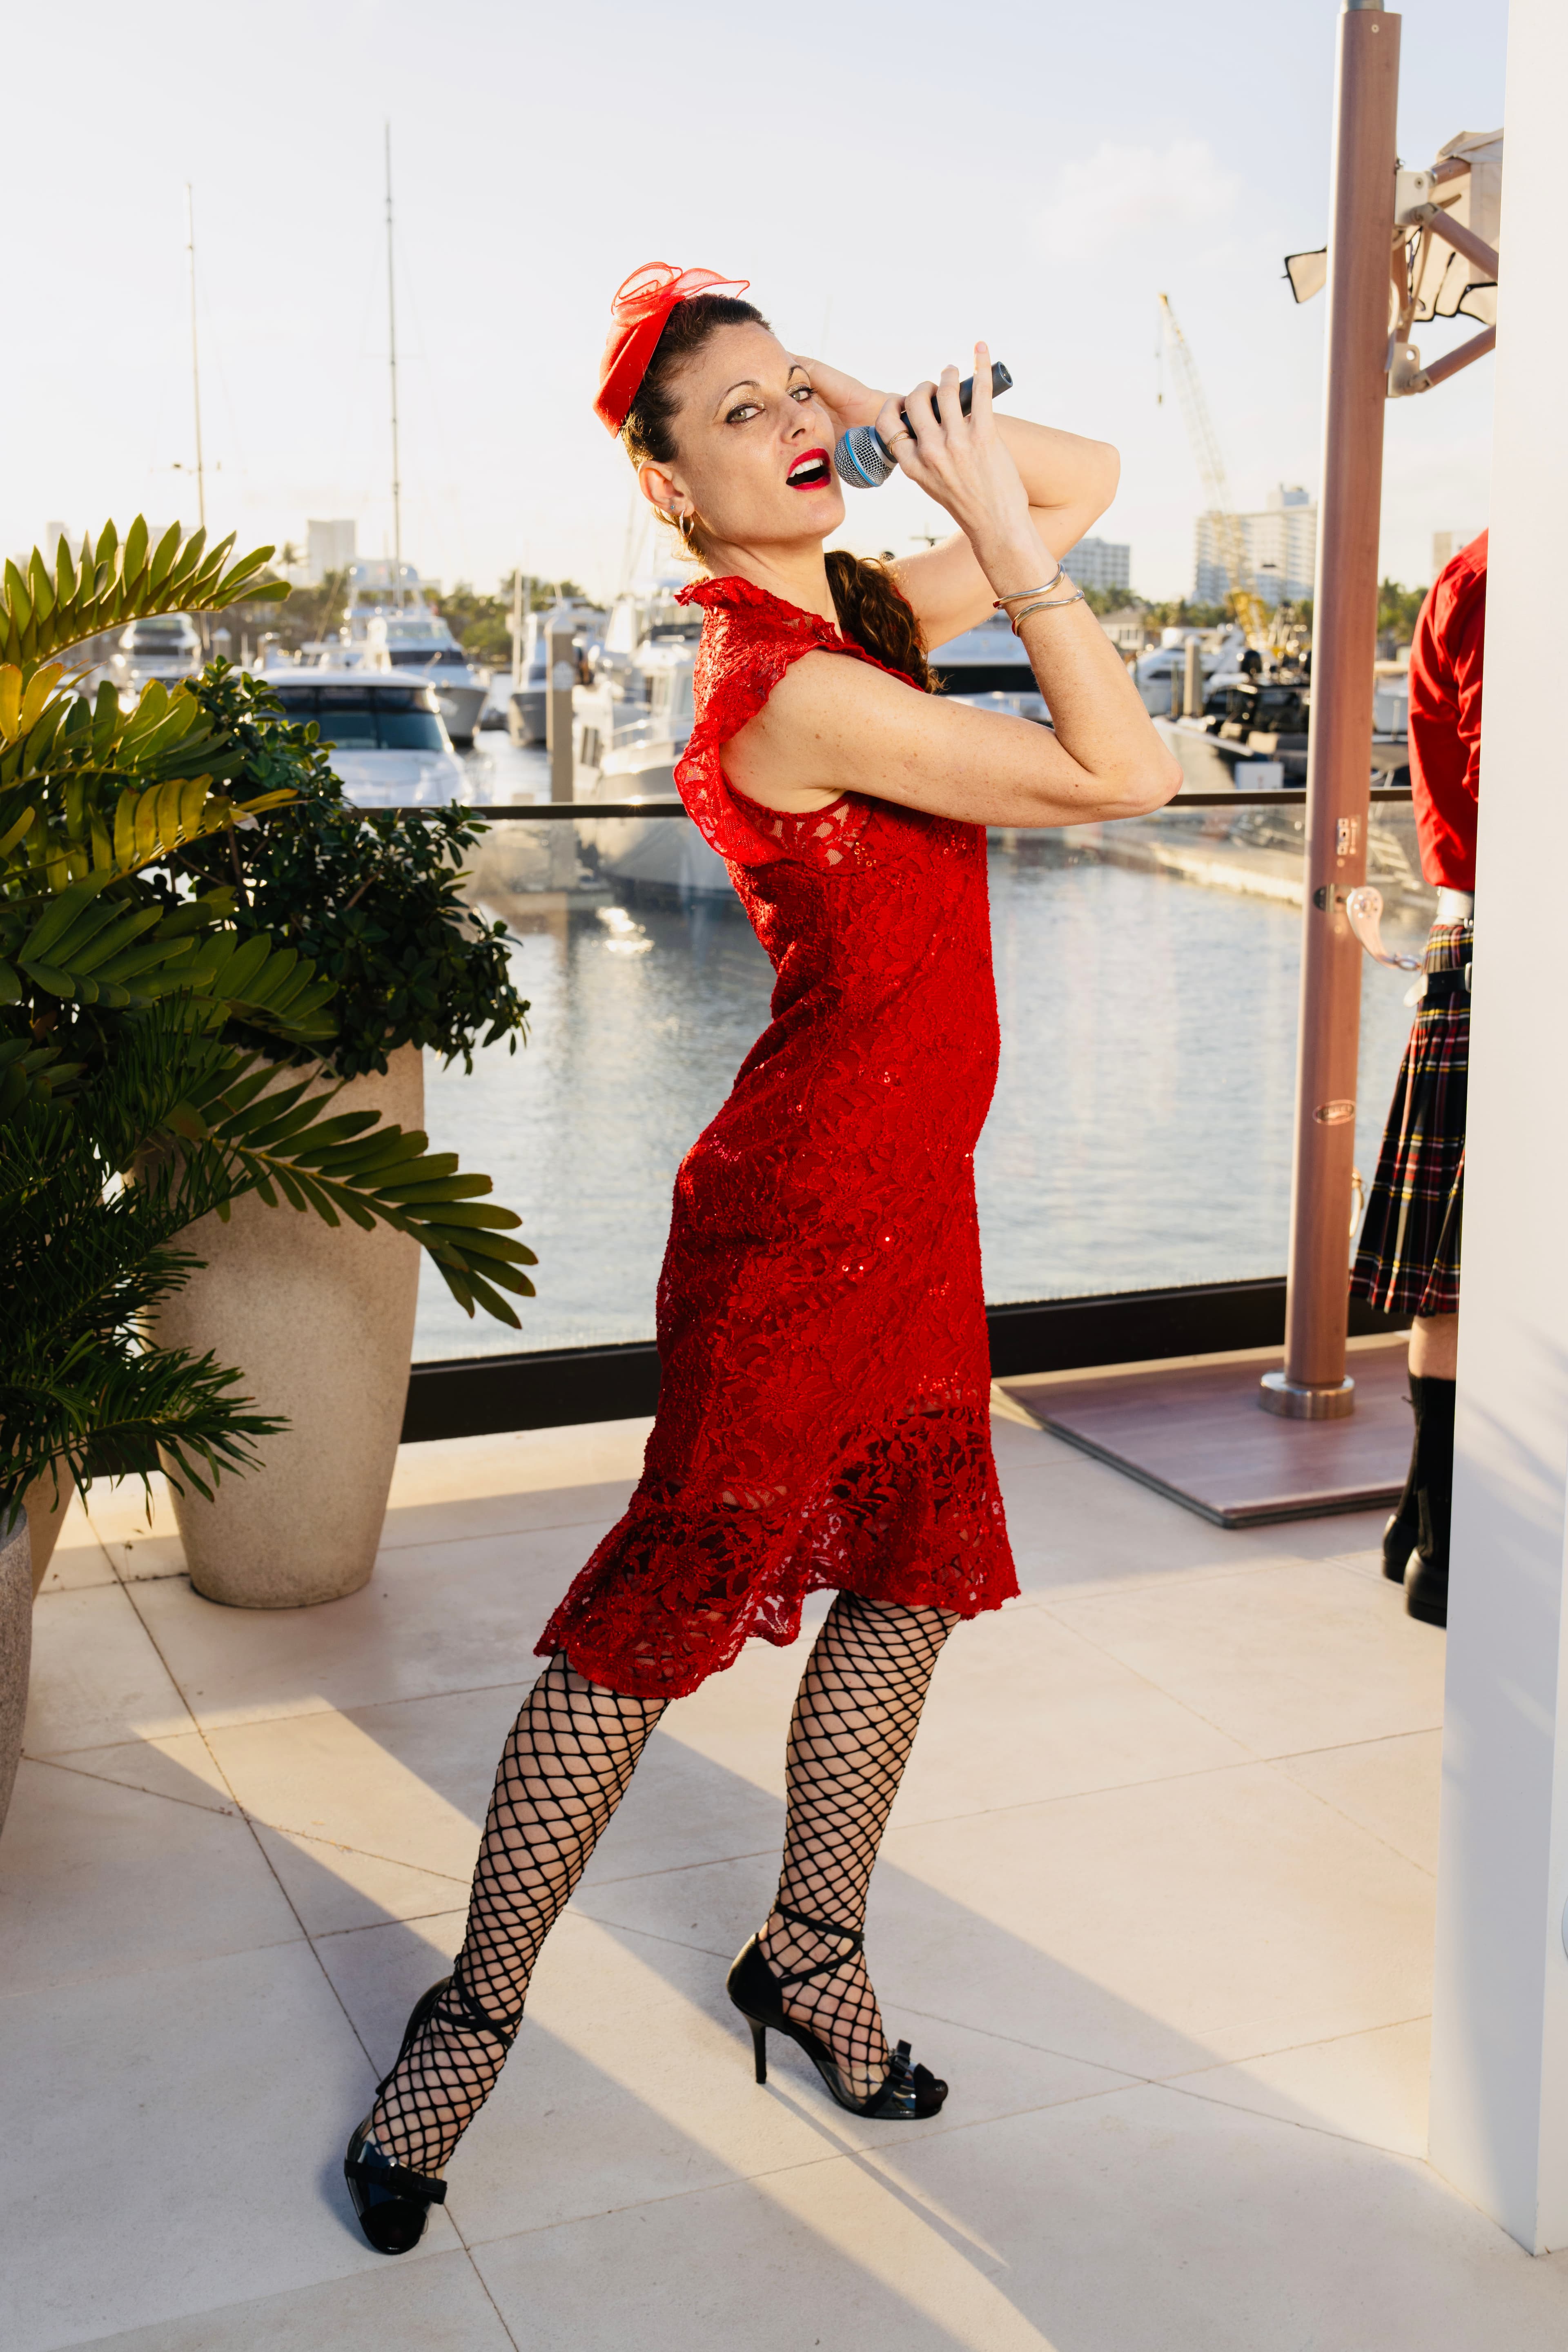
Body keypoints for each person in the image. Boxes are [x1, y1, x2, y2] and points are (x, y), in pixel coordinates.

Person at [343, 261, 1180, 2254]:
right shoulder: (790, 683)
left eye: (784, 389)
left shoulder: (866, 617)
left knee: (906, 1585)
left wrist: (857, 400)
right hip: (802, 1217)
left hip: (921, 1206)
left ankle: (812, 1954)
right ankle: (468, 2022)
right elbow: (1124, 775)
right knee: (651, 1626)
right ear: (669, 495)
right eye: (735, 417)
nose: (788, 426)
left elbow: (1083, 471)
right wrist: (974, 530)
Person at [1351, 529, 1486, 1628]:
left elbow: (1447, 750)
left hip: (1473, 921)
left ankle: (1424, 1520)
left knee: (1453, 1265)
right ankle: (1443, 1541)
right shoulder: (1512, 569)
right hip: (1521, 925)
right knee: (1474, 1264)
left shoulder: (1469, 569)